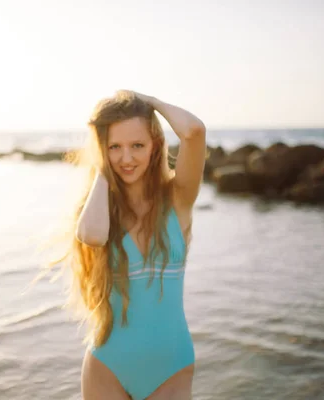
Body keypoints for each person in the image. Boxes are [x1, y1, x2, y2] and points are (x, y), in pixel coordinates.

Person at [57, 89, 206, 399]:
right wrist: (103, 170)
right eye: (115, 147)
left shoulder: (178, 200)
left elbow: (193, 131)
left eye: (137, 145)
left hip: (172, 369)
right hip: (108, 367)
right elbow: (92, 235)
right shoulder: (99, 207)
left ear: (155, 146)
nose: (126, 158)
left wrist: (148, 102)